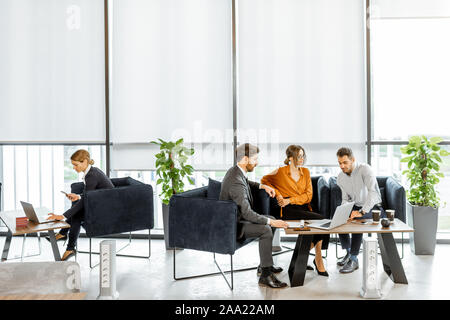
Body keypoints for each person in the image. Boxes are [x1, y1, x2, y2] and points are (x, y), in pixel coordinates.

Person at [219, 143, 289, 288]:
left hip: (236, 219)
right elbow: (247, 213)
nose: (257, 162)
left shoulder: (235, 172)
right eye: (255, 159)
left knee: (272, 220)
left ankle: (265, 264)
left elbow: (246, 182)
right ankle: (265, 275)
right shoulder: (235, 183)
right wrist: (270, 222)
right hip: (233, 226)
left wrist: (263, 186)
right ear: (245, 159)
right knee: (266, 228)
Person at [261, 145, 329, 277]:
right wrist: (279, 194)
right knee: (322, 220)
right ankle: (317, 260)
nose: (302, 159)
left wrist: (290, 199)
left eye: (303, 155)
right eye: (299, 156)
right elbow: (264, 181)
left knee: (323, 222)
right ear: (290, 158)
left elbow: (308, 196)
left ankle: (304, 255)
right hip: (287, 210)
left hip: (302, 207)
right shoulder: (280, 172)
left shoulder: (306, 172)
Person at [46, 149, 114, 261]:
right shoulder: (91, 172)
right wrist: (78, 196)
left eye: (76, 165)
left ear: (85, 162)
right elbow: (91, 194)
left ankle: (67, 242)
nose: (74, 168)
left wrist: (62, 216)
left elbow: (87, 199)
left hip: (106, 210)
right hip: (99, 203)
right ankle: (67, 243)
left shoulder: (91, 175)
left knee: (76, 214)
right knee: (77, 213)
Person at [335, 147, 385, 273]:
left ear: (352, 160)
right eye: (340, 163)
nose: (342, 166)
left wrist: (362, 211)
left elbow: (373, 193)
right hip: (356, 205)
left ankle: (354, 258)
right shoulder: (341, 177)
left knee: (356, 220)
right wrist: (344, 211)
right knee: (339, 219)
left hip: (373, 206)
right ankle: (348, 252)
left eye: (345, 162)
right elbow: (345, 198)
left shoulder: (365, 169)